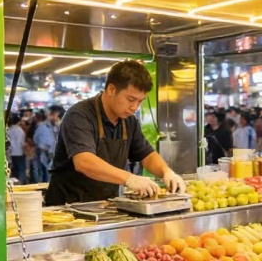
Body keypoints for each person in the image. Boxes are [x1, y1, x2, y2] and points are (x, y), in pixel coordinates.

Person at [44, 60, 186, 205]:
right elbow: (84, 162)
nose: (134, 107)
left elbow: (147, 155)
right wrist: (130, 178)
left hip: (105, 205)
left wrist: (166, 172)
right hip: (68, 207)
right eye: (131, 99)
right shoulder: (80, 115)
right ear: (111, 89)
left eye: (140, 101)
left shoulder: (128, 121)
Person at [32, 109, 55, 183]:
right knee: (46, 168)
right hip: (49, 150)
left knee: (43, 169)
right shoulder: (47, 126)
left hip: (43, 150)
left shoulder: (41, 127)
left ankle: (44, 184)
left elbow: (38, 140)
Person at [6, 114, 27, 185]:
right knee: (21, 169)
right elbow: (22, 143)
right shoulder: (20, 131)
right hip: (19, 152)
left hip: (10, 153)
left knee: (13, 169)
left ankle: (14, 183)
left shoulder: (8, 130)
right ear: (18, 122)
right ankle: (21, 182)